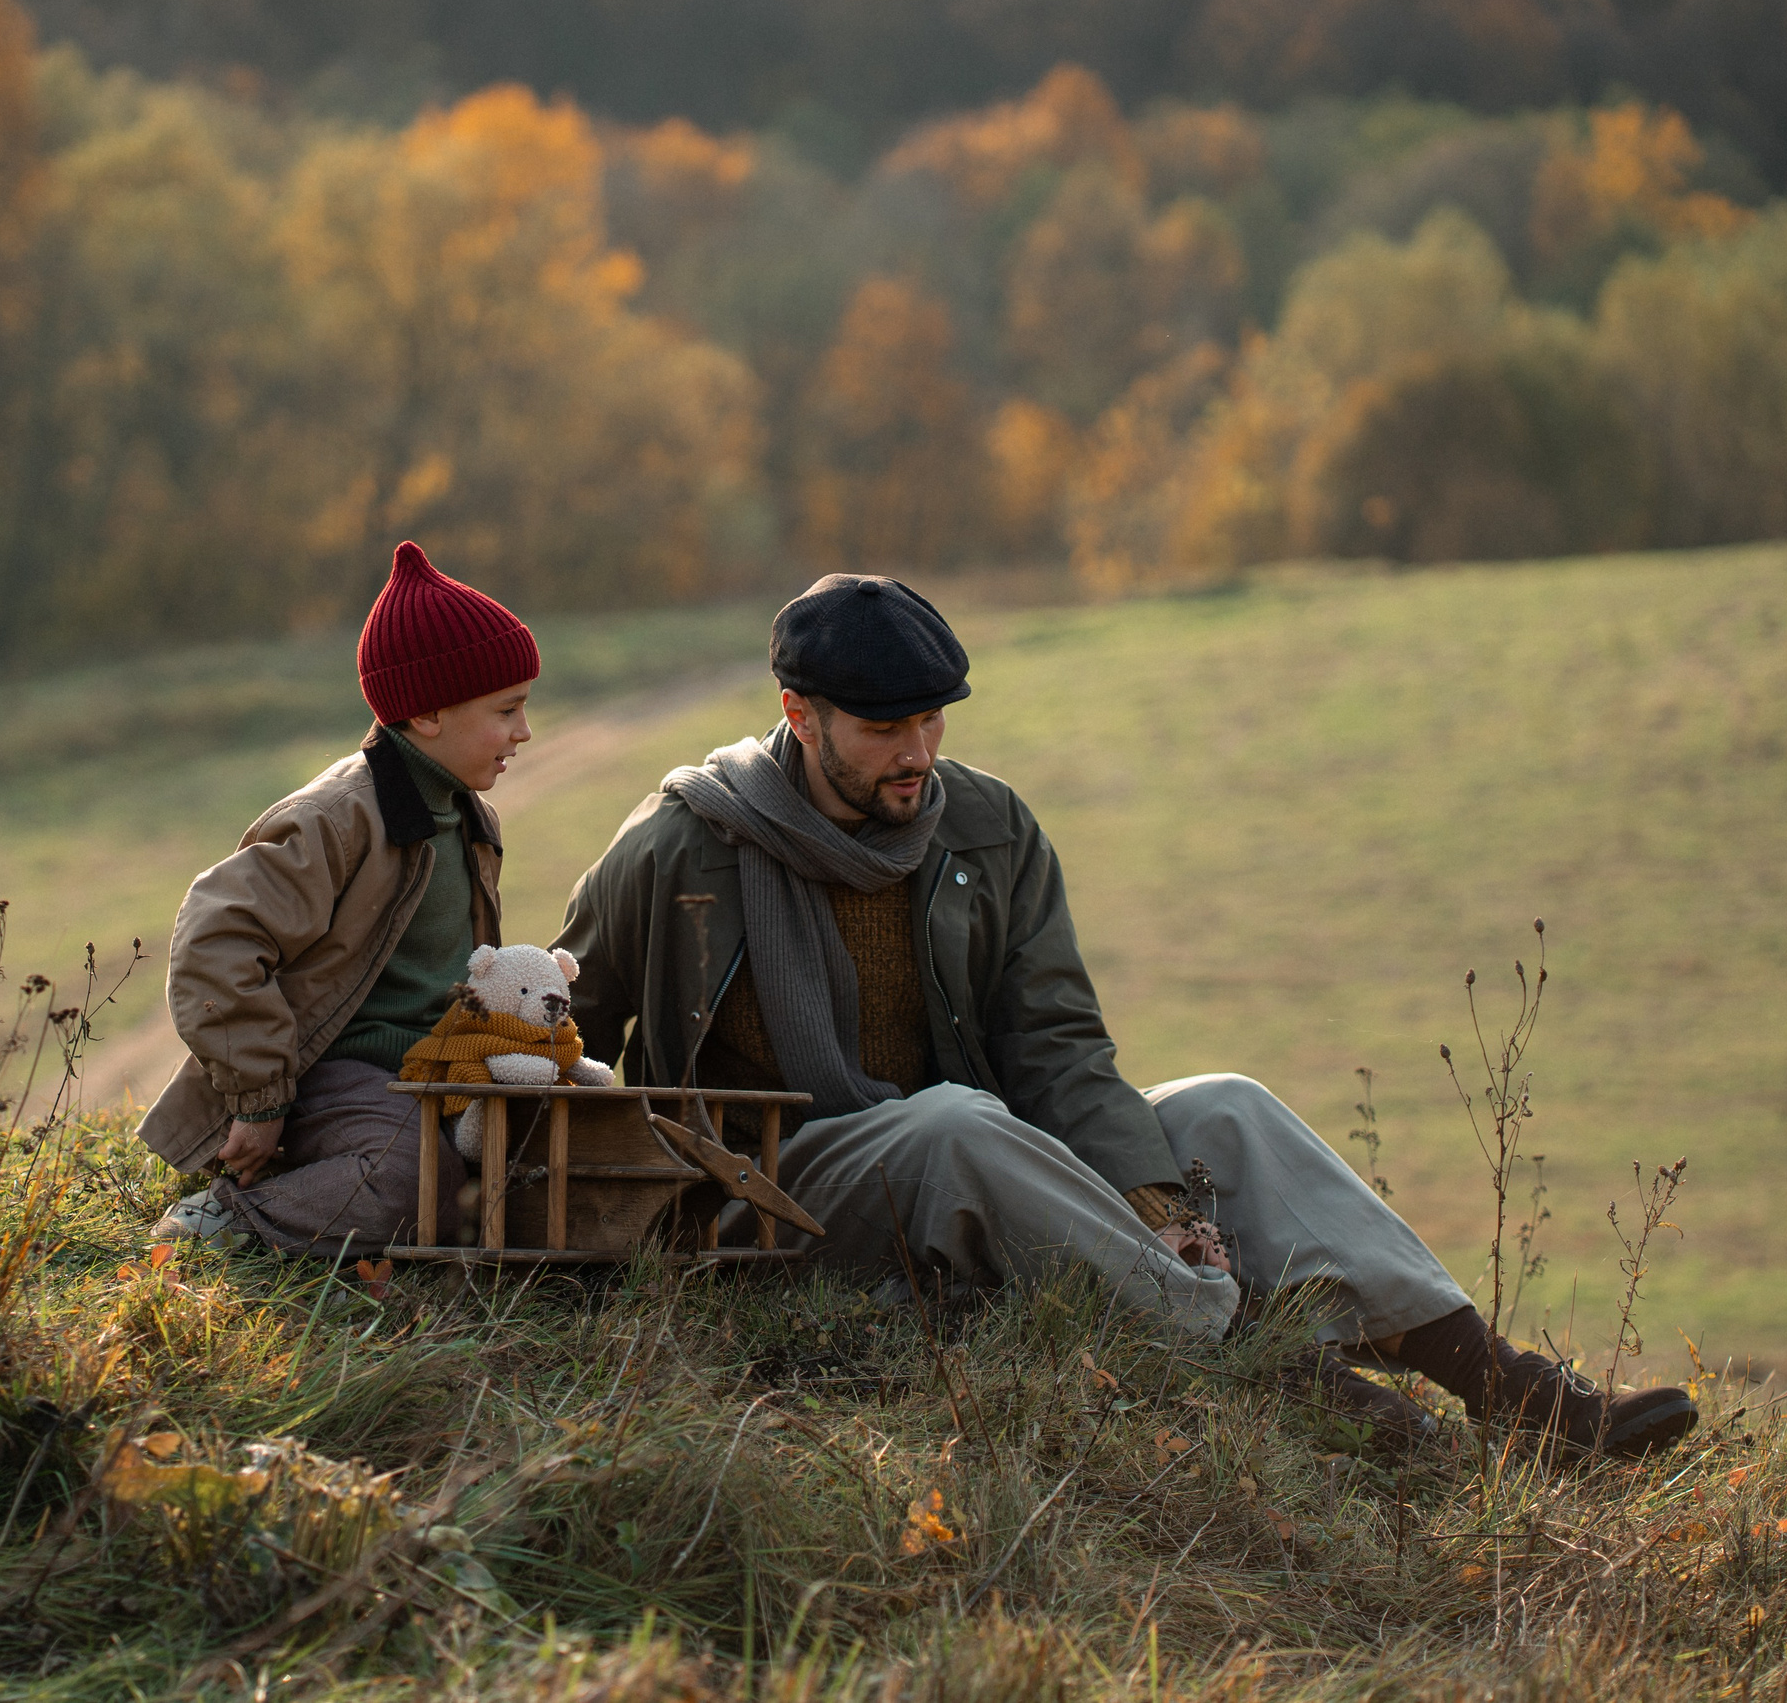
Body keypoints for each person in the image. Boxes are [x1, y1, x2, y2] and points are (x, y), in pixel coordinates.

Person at [552, 573, 1696, 1458]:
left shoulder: (985, 830)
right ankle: (1279, 1373)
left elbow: (1053, 1044)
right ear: (798, 714)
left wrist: (1152, 1195)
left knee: (1220, 1109)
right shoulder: (679, 845)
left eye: (933, 723)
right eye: (883, 730)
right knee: (949, 1123)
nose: (917, 754)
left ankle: (1520, 1399)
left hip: (985, 1167)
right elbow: (563, 1024)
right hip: (781, 1204)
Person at [135, 540, 538, 1254]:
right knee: (413, 1180)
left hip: (435, 1069)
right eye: (506, 710)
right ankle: (234, 1217)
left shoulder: (471, 817)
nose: (523, 732)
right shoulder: (341, 817)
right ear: (426, 715)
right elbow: (215, 934)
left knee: (554, 1142)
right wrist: (261, 1096)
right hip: (340, 1070)